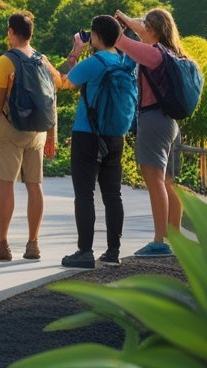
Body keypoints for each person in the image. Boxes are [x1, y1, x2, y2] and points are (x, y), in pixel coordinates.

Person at [0, 12, 61, 262]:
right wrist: (51, 135)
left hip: (10, 130)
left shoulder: (5, 62)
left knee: (6, 185)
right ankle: (33, 243)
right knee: (35, 186)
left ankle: (1, 244)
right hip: (36, 131)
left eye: (8, 31)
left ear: (12, 32)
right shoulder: (42, 60)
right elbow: (52, 97)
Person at [61, 14, 139, 269]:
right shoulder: (122, 62)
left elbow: (65, 81)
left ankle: (84, 251)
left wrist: (75, 51)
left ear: (94, 36)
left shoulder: (95, 62)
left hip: (88, 135)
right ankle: (113, 250)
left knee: (84, 195)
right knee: (112, 194)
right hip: (115, 136)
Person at [114, 8, 190, 257]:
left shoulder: (151, 53)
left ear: (153, 30)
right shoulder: (172, 53)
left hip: (153, 120)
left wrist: (118, 25)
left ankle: (160, 240)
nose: (141, 28)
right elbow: (138, 31)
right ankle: (175, 237)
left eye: (145, 25)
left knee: (154, 179)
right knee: (169, 182)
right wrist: (126, 19)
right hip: (170, 123)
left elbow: (118, 41)